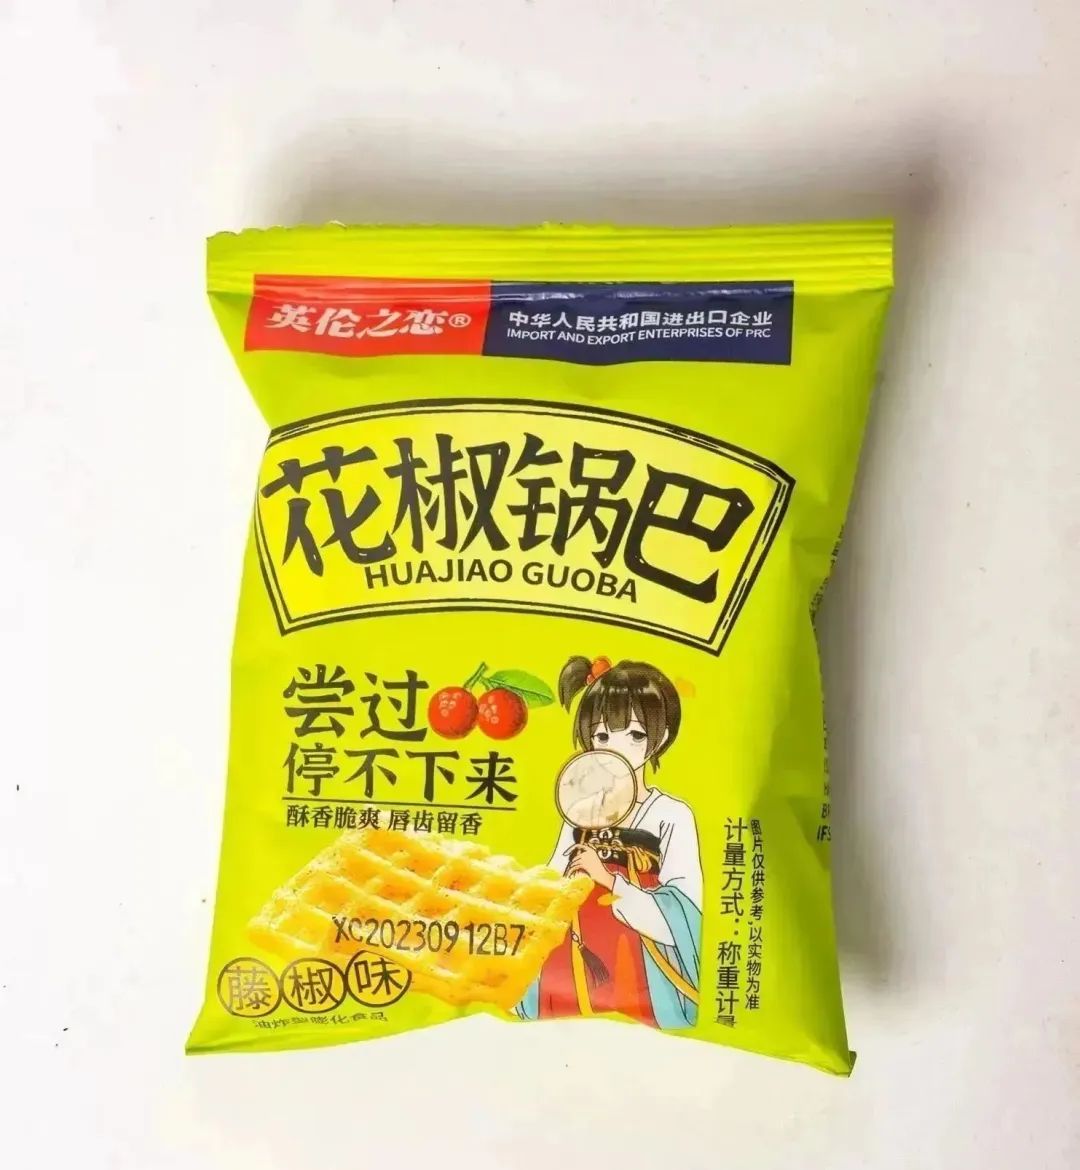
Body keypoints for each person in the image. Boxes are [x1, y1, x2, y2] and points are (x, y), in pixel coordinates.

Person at [518, 656, 702, 1028]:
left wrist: (608, 879)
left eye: (634, 735)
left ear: (661, 737)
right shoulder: (579, 810)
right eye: (602, 736)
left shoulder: (671, 814)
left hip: (638, 971)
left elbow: (686, 915)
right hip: (570, 961)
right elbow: (548, 886)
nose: (615, 748)